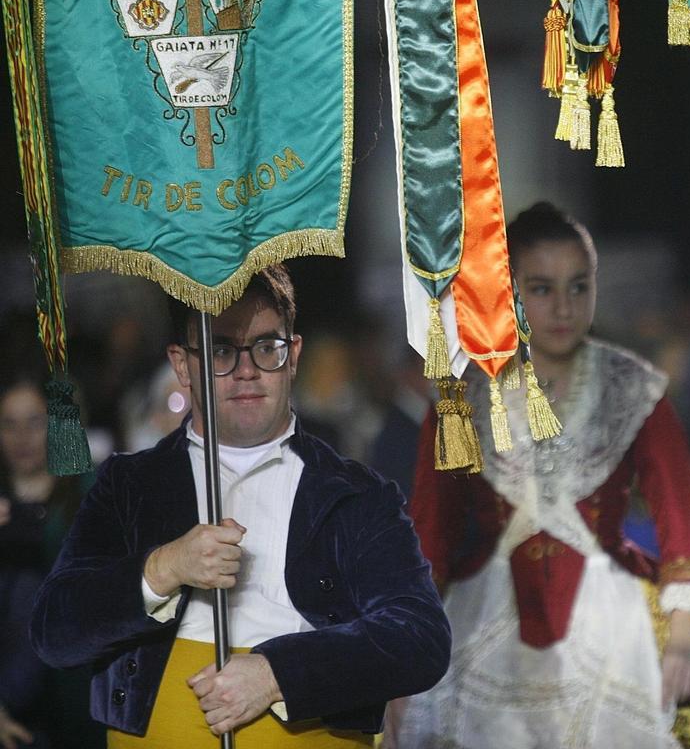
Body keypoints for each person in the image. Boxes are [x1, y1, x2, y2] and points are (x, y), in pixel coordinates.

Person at [30, 264, 451, 747]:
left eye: (266, 347)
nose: (246, 370)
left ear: (293, 355)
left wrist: (277, 673)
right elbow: (54, 632)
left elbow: (422, 637)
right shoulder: (128, 485)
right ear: (182, 365)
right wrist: (164, 567)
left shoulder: (356, 494)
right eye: (221, 350)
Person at [396, 202, 690, 749]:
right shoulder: (461, 397)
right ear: (507, 290)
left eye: (579, 287)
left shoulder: (634, 386)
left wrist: (680, 642)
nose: (563, 307)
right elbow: (428, 533)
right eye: (542, 288)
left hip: (615, 617)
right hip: (482, 613)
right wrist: (404, 661)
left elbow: (680, 517)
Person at [0, 376, 101, 749]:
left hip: (76, 698)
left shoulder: (91, 494)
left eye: (35, 421)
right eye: (9, 423)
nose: (22, 435)